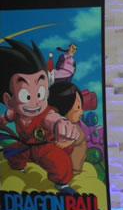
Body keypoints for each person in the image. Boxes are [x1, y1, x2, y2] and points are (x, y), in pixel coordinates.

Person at [0, 38, 79, 194]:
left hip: (46, 148)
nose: (36, 102)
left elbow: (55, 120)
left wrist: (63, 126)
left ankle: (63, 186)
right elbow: (7, 118)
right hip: (25, 145)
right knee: (12, 154)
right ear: (8, 100)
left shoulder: (47, 114)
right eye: (26, 96)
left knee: (60, 163)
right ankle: (20, 171)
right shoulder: (14, 112)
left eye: (40, 93)